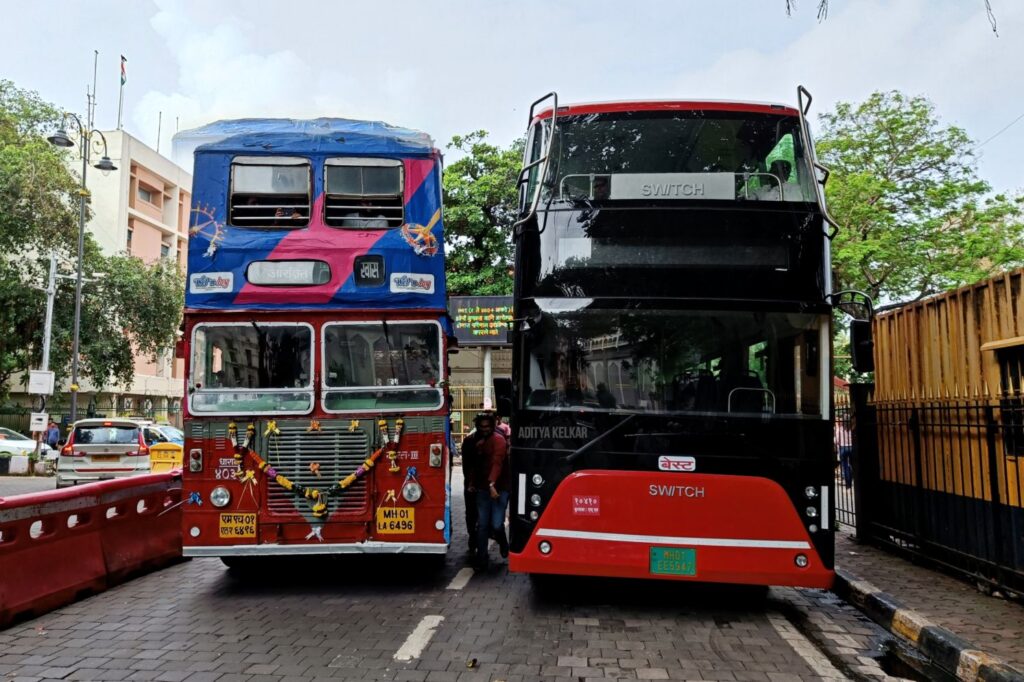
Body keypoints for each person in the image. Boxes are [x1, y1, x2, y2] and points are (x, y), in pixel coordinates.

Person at [471, 412, 510, 570]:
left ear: (492, 426)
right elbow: (475, 464)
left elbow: (497, 463)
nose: (484, 429)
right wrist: (472, 483)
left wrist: (492, 483)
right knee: (482, 525)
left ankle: (502, 541)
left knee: (496, 524)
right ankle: (481, 557)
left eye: (487, 426)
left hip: (500, 487)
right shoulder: (476, 440)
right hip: (482, 488)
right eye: (481, 427)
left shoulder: (499, 440)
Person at [835, 418, 853, 489]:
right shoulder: (852, 428)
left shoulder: (839, 429)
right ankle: (852, 479)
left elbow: (836, 441)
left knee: (845, 467)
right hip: (851, 447)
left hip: (843, 448)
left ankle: (848, 484)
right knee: (853, 465)